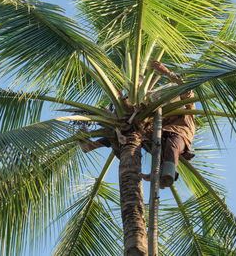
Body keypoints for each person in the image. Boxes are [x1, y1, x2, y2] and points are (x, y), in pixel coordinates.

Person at [79, 61, 196, 189]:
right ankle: (91, 145)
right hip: (158, 134)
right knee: (123, 128)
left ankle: (168, 174)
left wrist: (166, 71)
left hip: (180, 134)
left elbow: (186, 89)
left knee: (171, 145)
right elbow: (137, 116)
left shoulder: (188, 104)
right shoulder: (161, 113)